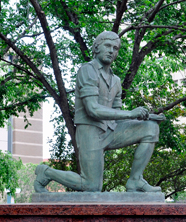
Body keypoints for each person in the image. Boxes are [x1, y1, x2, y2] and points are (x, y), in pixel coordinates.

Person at [34, 31, 166, 193]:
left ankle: (135, 181)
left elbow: (116, 114)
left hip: (110, 130)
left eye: (115, 48)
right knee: (92, 186)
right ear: (96, 48)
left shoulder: (116, 80)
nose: (112, 51)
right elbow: (92, 109)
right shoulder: (87, 70)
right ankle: (46, 172)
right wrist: (131, 113)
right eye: (108, 46)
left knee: (150, 128)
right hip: (90, 131)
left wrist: (145, 118)